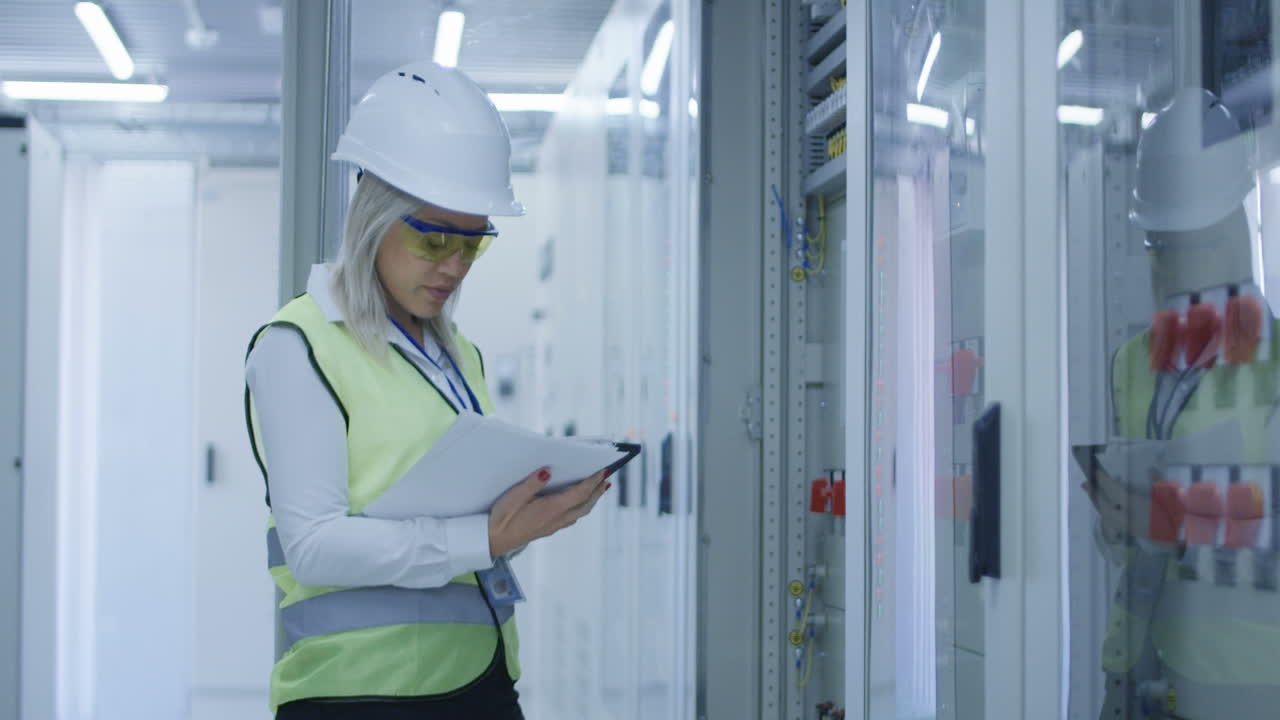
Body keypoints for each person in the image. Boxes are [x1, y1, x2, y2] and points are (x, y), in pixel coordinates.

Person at [244, 61, 613, 719]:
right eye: (435, 238)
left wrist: (530, 513)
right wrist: (488, 539)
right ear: (372, 216)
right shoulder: (298, 346)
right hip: (360, 696)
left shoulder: (452, 353)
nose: (453, 267)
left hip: (480, 685)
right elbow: (314, 547)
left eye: (473, 245)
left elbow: (476, 524)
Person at [1087, 87, 1280, 719]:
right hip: (1142, 676)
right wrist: (1115, 524)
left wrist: (1172, 518)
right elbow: (1123, 548)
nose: (1165, 271)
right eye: (1155, 250)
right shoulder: (1132, 366)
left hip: (1251, 691)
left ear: (1230, 230)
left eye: (1181, 246)